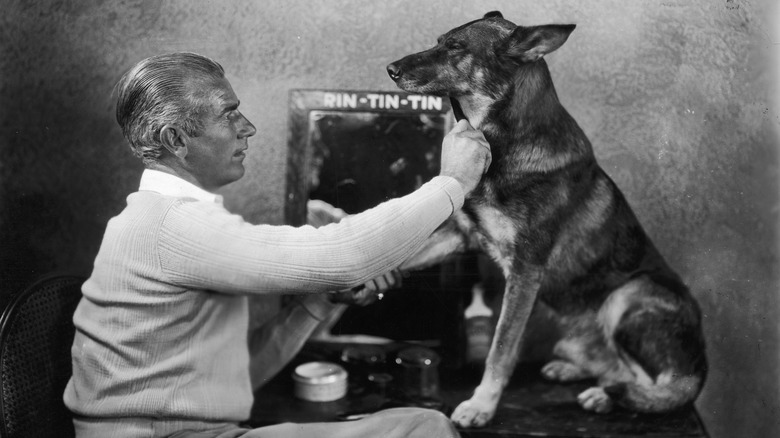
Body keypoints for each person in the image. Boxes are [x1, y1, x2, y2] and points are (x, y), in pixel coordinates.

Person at [63, 52, 491, 438]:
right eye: (229, 114)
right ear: (176, 139)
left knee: (422, 425)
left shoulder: (170, 220)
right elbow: (342, 256)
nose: (247, 127)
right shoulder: (169, 225)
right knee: (426, 431)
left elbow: (236, 378)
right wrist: (452, 184)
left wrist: (322, 302)